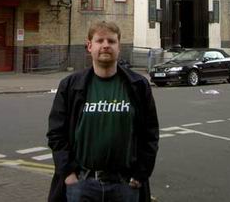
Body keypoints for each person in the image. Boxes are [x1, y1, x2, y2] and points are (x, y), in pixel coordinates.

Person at [47, 21, 159, 202]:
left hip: (125, 185)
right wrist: (68, 173)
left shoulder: (138, 85)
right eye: (100, 40)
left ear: (119, 47)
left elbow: (150, 134)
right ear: (89, 46)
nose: (106, 45)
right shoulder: (70, 86)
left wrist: (141, 173)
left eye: (111, 41)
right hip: (82, 184)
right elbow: (56, 133)